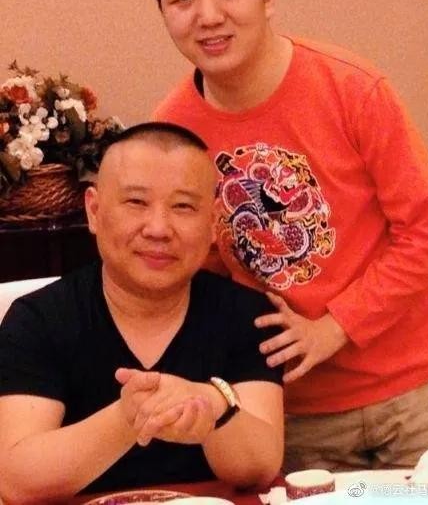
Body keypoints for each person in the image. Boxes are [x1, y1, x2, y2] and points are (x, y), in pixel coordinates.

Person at [147, 0, 428, 471]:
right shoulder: (171, 134)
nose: (208, 15)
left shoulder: (353, 89)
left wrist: (336, 326)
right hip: (292, 411)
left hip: (421, 395)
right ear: (163, 10)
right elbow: (198, 272)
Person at [0, 122, 284, 503]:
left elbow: (261, 468)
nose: (158, 228)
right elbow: (15, 482)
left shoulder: (246, 314)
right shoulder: (37, 320)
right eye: (136, 202)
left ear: (212, 224)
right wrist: (130, 416)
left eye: (183, 206)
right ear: (94, 211)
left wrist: (215, 407)